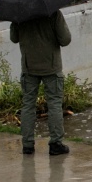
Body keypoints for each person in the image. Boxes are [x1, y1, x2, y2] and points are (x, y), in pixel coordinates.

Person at [11, 10, 72, 156]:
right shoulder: (53, 12)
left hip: (29, 66)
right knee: (54, 104)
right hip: (51, 66)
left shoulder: (19, 13)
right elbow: (65, 40)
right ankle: (56, 144)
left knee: (28, 105)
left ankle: (27, 145)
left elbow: (14, 38)